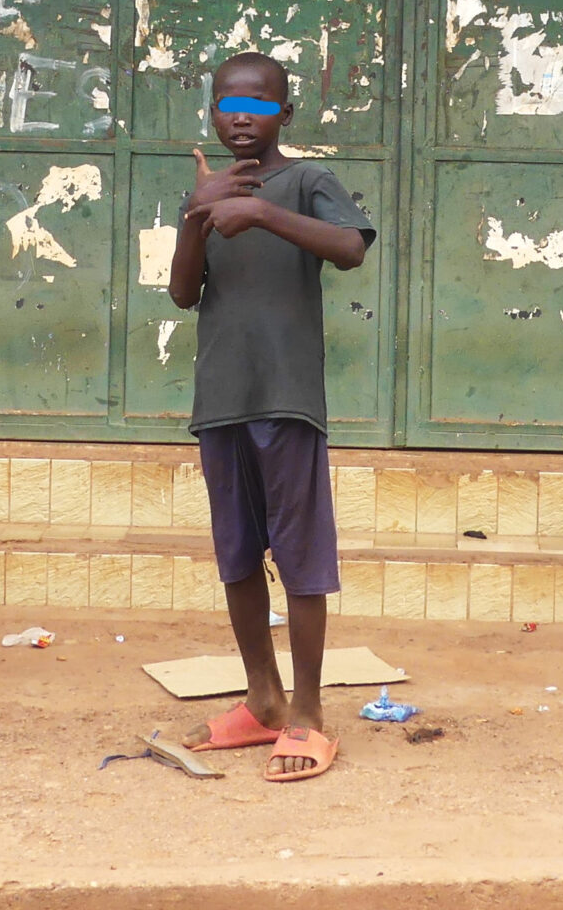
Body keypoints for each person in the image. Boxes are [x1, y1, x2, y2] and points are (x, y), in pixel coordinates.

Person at [169, 51, 376, 782]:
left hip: (287, 400)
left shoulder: (307, 182)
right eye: (229, 105)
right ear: (213, 110)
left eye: (258, 109)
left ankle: (309, 713)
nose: (241, 119)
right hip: (221, 402)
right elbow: (182, 293)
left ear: (284, 115)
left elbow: (350, 248)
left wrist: (258, 210)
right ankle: (262, 699)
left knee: (300, 558)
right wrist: (200, 212)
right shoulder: (205, 187)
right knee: (236, 555)